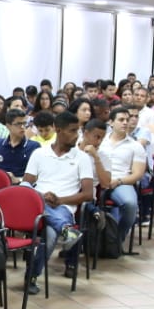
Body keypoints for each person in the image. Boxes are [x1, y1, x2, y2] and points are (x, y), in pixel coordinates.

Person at [23, 111, 96, 283]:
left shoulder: (82, 158)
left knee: (49, 235)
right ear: (58, 130)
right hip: (38, 204)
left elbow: (88, 194)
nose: (76, 136)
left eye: (77, 131)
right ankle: (65, 229)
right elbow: (26, 184)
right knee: (24, 187)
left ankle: (31, 277)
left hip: (63, 207)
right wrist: (42, 196)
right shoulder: (39, 154)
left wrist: (59, 200)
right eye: (72, 131)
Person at [98, 106, 147, 247]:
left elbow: (138, 174)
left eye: (127, 119)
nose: (125, 122)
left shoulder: (135, 146)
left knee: (130, 204)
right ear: (111, 123)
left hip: (121, 181)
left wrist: (118, 181)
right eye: (121, 120)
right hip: (98, 180)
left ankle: (117, 238)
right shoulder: (100, 141)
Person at [0, 108, 41, 185]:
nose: (23, 127)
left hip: (23, 187)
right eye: (18, 124)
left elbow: (38, 175)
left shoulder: (34, 146)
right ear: (8, 126)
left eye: (24, 123)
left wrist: (18, 180)